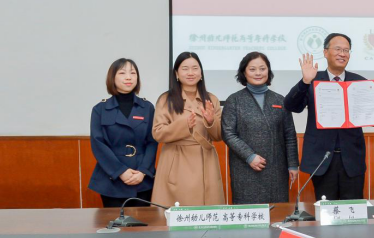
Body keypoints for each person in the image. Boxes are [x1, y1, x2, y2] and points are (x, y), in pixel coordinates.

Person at [284, 33, 374, 201]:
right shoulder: (313, 80)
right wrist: (305, 82)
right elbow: (291, 106)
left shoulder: (360, 83)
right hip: (322, 159)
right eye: (337, 49)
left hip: (351, 159)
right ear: (325, 52)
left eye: (346, 50)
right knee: (326, 209)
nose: (342, 54)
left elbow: (371, 116)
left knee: (353, 209)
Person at [222, 52, 300, 204]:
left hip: (276, 169)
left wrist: (292, 164)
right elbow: (228, 133)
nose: (258, 73)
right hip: (245, 168)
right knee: (249, 214)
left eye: (262, 69)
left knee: (277, 212)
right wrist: (249, 156)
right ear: (244, 72)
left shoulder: (280, 100)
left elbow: (289, 135)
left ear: (268, 71)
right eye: (252, 69)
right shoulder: (234, 100)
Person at [152, 52, 224, 207]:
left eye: (195, 68)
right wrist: (184, 125)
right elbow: (158, 133)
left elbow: (219, 136)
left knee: (207, 213)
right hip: (176, 160)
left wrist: (211, 121)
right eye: (185, 68)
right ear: (176, 74)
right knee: (176, 214)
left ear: (201, 73)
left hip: (206, 159)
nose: (191, 73)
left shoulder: (211, 99)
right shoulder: (166, 99)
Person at [88, 58, 157, 208]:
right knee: (114, 221)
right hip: (111, 179)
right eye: (122, 73)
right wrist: (120, 171)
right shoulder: (100, 109)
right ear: (112, 77)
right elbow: (98, 144)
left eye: (133, 73)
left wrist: (143, 171)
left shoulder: (147, 107)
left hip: (141, 179)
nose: (128, 77)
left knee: (143, 222)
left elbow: (152, 142)